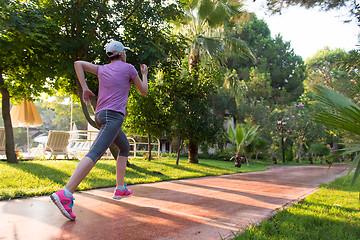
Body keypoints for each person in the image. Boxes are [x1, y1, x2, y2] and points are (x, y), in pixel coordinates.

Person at [50, 41, 148, 221]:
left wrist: (85, 88)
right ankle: (66, 193)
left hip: (101, 115)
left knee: (124, 147)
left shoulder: (102, 69)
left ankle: (120, 188)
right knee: (95, 152)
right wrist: (144, 74)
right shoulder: (129, 68)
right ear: (122, 54)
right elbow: (144, 91)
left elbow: (78, 64)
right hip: (113, 117)